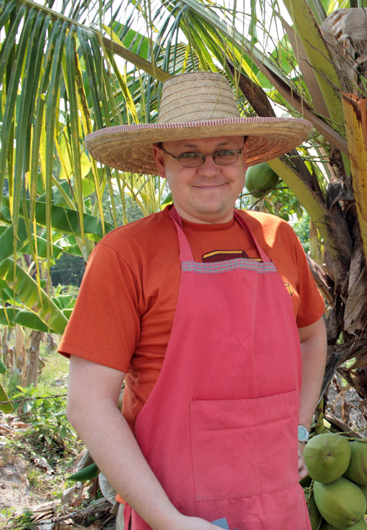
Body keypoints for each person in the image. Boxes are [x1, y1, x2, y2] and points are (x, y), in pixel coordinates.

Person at [60, 72, 327, 530]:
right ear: (160, 160)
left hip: (278, 504)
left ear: (245, 157)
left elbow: (311, 335)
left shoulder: (278, 237)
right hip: (172, 508)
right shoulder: (126, 254)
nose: (209, 168)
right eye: (190, 155)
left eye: (225, 151)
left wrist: (300, 429)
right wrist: (169, 520)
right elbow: (87, 403)